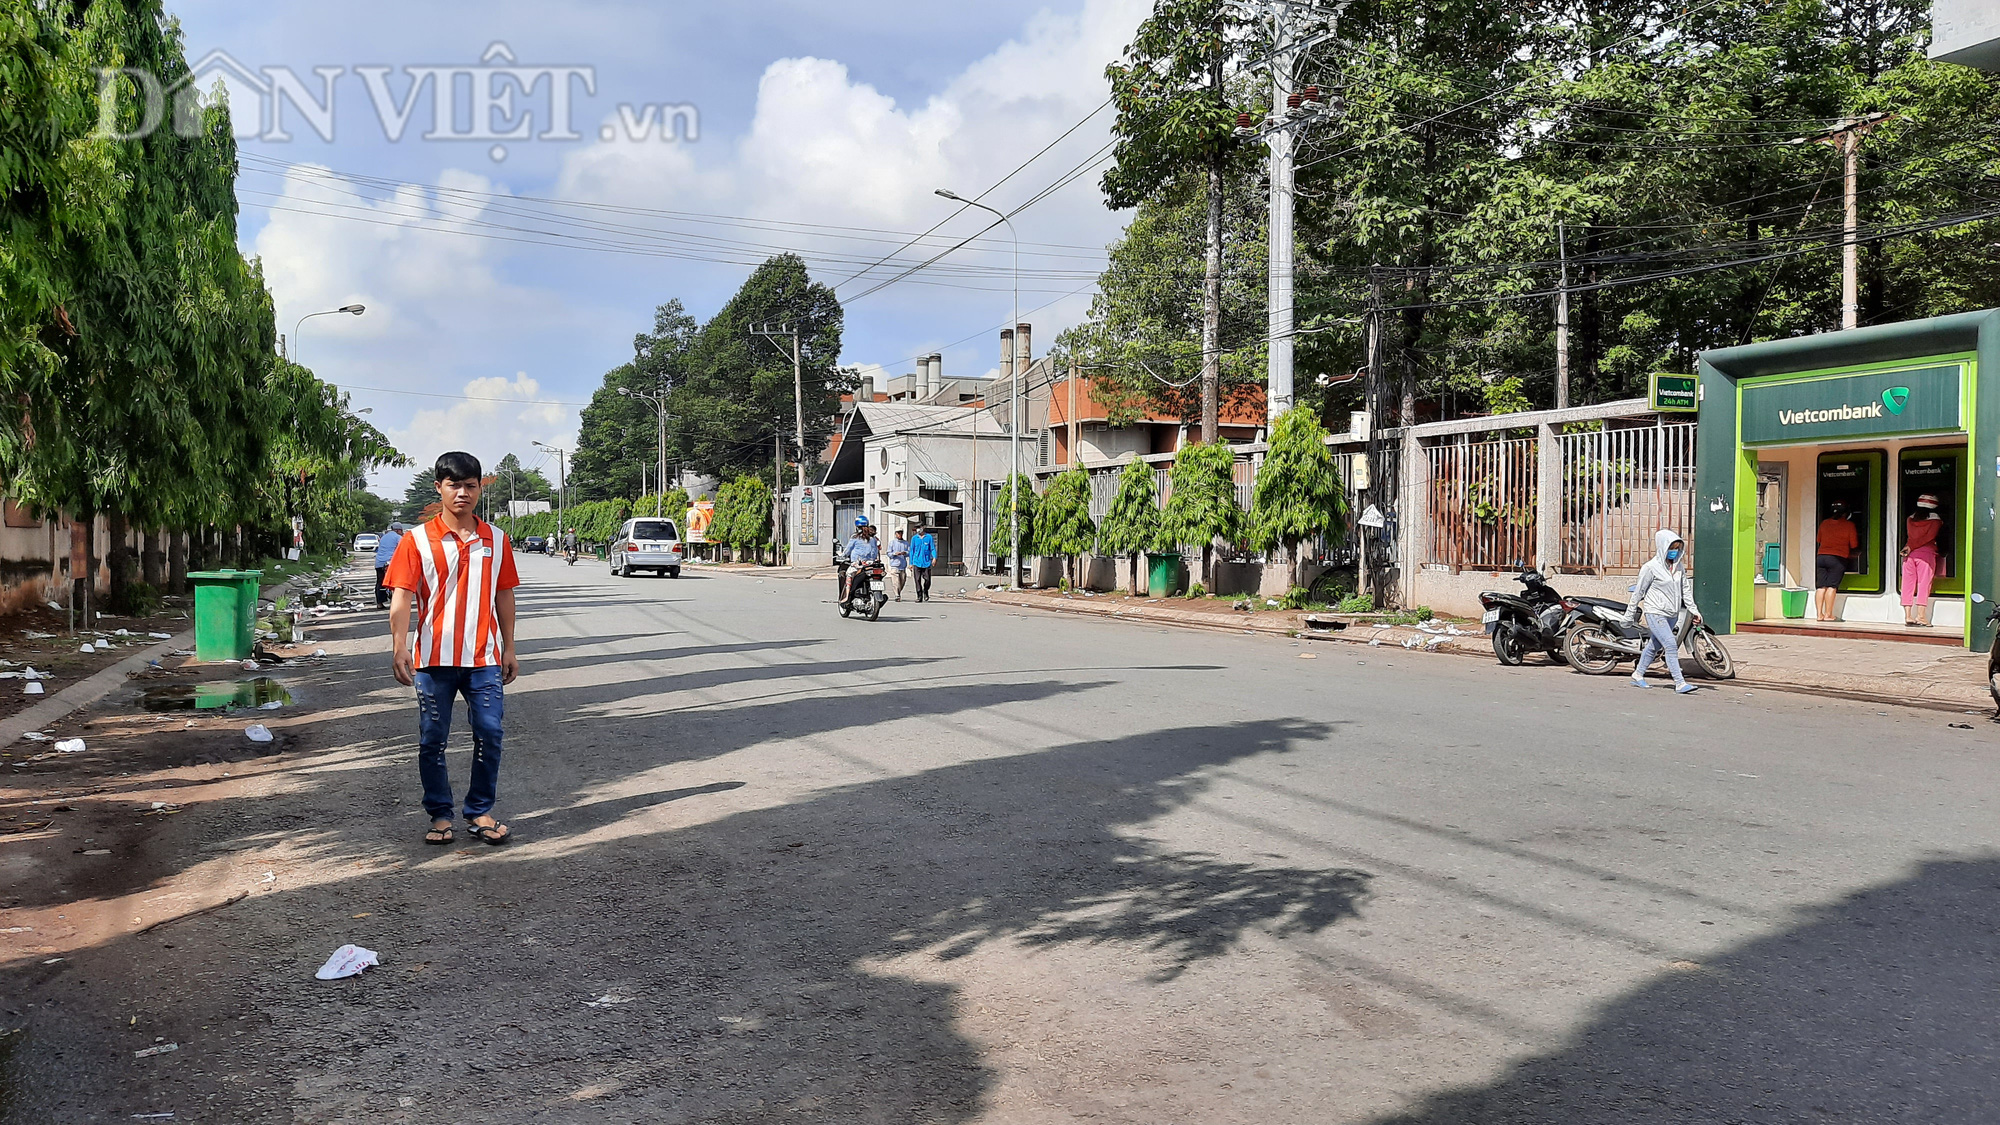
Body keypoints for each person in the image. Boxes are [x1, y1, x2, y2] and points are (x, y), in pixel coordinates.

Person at [384, 452, 522, 847]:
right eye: (454, 485)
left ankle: (480, 810)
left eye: (470, 485)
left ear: (479, 488)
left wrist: (509, 647)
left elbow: (505, 595)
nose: (462, 493)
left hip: (484, 660)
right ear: (439, 488)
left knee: (491, 733)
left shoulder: (496, 539)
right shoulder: (416, 541)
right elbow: (402, 598)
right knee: (432, 739)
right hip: (432, 660)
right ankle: (440, 815)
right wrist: (399, 646)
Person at [1626, 528, 1701, 695]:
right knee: (1670, 645)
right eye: (1671, 548)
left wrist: (1694, 610)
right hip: (1655, 612)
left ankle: (1638, 674)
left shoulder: (1679, 567)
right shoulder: (1650, 568)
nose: (1674, 552)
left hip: (1672, 614)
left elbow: (1686, 591)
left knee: (1654, 646)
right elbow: (1639, 592)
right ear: (1663, 548)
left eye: (1677, 548)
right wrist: (1629, 615)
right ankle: (1680, 683)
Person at [1901, 492, 1945, 628]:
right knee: (1924, 584)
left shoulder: (1910, 519)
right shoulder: (1936, 520)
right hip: (1926, 554)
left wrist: (1909, 547)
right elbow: (1929, 537)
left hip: (1909, 555)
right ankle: (1921, 616)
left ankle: (1908, 615)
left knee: (1907, 584)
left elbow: (1911, 537)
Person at [1814, 501, 1860, 622]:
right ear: (1845, 513)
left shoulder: (1824, 523)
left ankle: (1819, 615)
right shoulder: (1849, 525)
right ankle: (1829, 615)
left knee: (1820, 587)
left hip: (1821, 556)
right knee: (1831, 587)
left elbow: (1819, 539)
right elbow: (1854, 544)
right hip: (1837, 558)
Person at [841, 517, 880, 602]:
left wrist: (842, 555)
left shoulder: (855, 537)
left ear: (857, 527)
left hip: (859, 564)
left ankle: (847, 597)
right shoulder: (873, 539)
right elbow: (875, 551)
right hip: (871, 564)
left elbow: (847, 550)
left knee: (849, 574)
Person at [373, 523, 404, 609]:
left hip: (379, 563)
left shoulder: (384, 537)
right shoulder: (398, 537)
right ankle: (395, 601)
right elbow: (404, 547)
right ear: (398, 530)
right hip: (391, 562)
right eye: (401, 531)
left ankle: (379, 603)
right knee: (395, 581)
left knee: (380, 582)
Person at [909, 524, 938, 603]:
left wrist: (934, 558)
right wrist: (911, 563)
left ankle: (925, 591)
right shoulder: (914, 538)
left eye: (919, 528)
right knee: (917, 580)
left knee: (927, 579)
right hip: (916, 562)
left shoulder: (929, 537)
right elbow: (912, 551)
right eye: (917, 528)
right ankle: (919, 595)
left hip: (926, 562)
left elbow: (932, 548)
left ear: (923, 528)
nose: (918, 529)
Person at [884, 527, 912, 601]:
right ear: (895, 534)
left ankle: (898, 592)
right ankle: (897, 595)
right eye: (898, 533)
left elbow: (910, 552)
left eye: (901, 533)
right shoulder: (892, 542)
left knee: (902, 581)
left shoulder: (906, 543)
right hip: (895, 565)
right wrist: (895, 554)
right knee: (895, 581)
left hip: (903, 565)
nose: (899, 534)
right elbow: (888, 553)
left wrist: (905, 553)